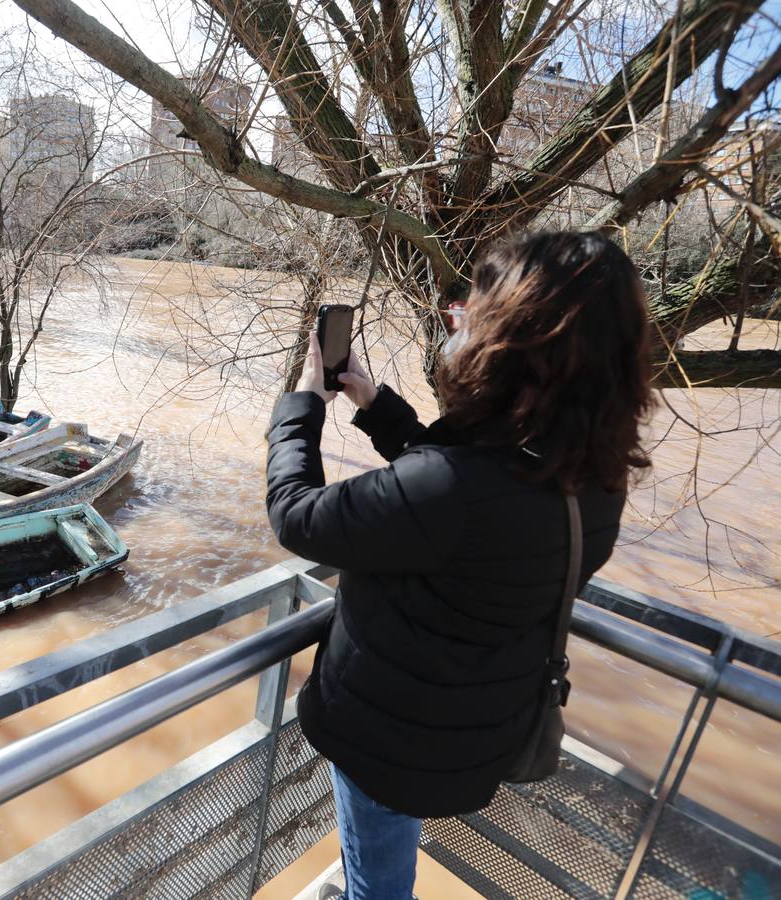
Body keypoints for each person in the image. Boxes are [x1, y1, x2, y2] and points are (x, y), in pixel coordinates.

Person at [265, 231, 653, 900]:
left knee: (378, 880)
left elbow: (297, 515)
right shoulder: (591, 479)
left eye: (471, 313)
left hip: (391, 742)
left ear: (515, 341)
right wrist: (375, 402)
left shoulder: (457, 489)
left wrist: (301, 404)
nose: (458, 324)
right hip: (467, 734)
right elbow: (462, 503)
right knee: (388, 854)